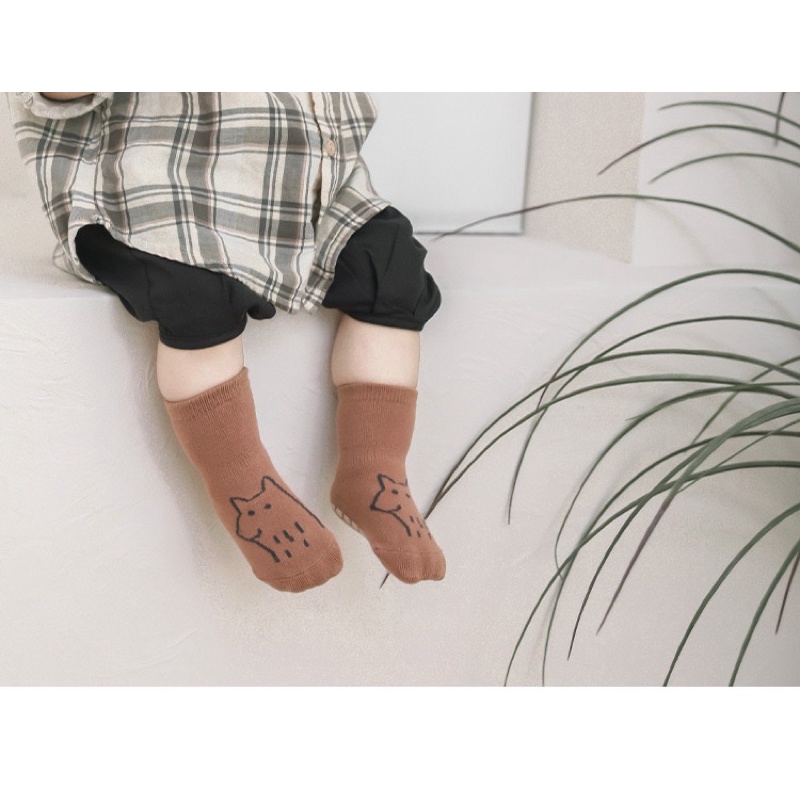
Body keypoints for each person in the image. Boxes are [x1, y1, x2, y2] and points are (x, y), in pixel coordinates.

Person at [8, 91, 446, 592]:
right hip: (155, 189)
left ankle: (375, 472)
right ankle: (244, 487)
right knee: (197, 298)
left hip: (302, 188)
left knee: (393, 273)